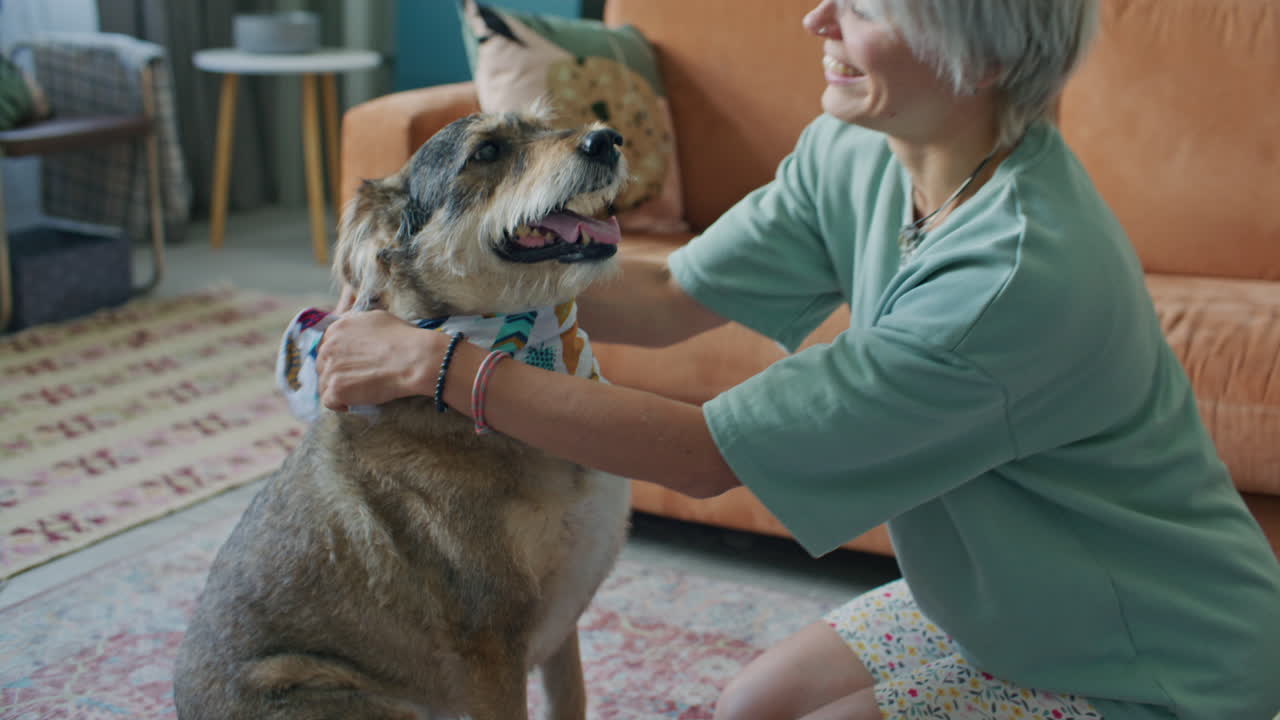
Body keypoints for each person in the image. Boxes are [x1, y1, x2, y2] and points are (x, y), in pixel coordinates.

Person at [315, 0, 1280, 717]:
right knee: (747, 711)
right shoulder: (862, 149)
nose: (816, 17)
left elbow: (706, 456)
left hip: (1148, 651)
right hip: (995, 596)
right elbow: (668, 298)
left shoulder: (1011, 280)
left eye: (861, 9)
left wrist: (438, 369)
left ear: (977, 56)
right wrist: (442, 298)